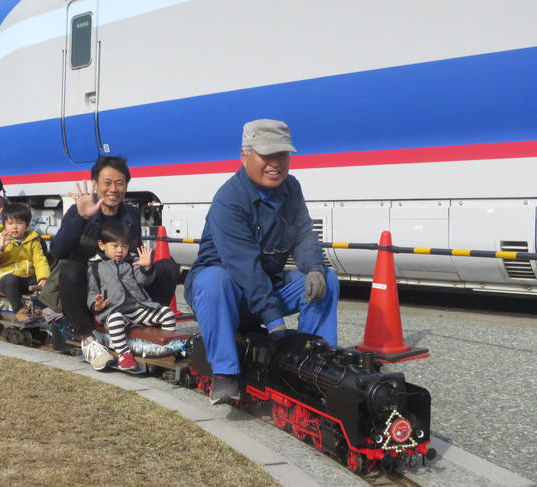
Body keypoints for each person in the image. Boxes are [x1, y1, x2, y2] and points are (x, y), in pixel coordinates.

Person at [184, 119, 340, 405]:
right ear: (244, 155)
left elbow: (304, 236)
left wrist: (316, 269)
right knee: (213, 280)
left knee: (328, 281)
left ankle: (315, 364)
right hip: (229, 291)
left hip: (266, 284)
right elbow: (243, 267)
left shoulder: (291, 188)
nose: (276, 164)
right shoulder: (228, 199)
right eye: (266, 155)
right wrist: (275, 323)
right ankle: (225, 374)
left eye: (282, 155)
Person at [41, 155, 179, 370]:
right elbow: (58, 250)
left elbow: (133, 256)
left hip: (121, 287)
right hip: (88, 288)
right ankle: (88, 339)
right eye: (107, 183)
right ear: (95, 184)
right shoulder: (79, 210)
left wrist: (146, 266)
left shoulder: (130, 214)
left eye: (120, 183)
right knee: (70, 270)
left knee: (168, 266)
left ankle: (143, 321)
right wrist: (82, 218)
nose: (113, 189)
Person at [87, 221, 177, 371]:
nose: (120, 250)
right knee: (115, 321)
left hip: (140, 308)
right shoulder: (95, 267)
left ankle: (165, 348)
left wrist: (146, 267)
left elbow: (144, 280)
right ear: (102, 245)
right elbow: (92, 291)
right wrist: (96, 306)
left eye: (124, 246)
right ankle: (124, 354)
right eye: (115, 246)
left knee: (167, 313)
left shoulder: (133, 260)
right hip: (116, 312)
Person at [0, 202, 50, 323]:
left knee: (52, 280)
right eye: (10, 223)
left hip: (28, 277)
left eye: (19, 223)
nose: (14, 227)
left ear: (27, 224)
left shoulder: (33, 240)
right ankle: (20, 310)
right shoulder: (0, 239)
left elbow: (40, 260)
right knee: (9, 280)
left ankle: (52, 308)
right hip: (8, 277)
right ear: (4, 225)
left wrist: (43, 278)